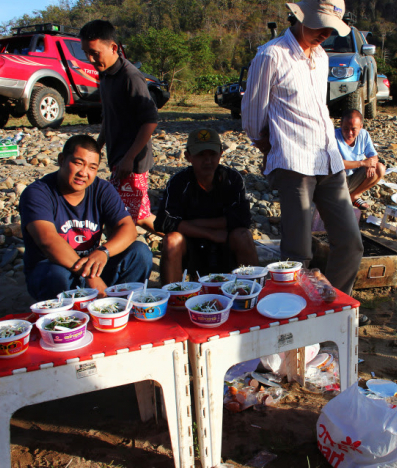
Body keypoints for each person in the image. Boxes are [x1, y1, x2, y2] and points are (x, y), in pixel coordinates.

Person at [241, 0, 363, 296]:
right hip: (294, 164)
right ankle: (296, 314)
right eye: (321, 25)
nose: (325, 33)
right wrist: (272, 148)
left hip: (329, 160)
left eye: (331, 28)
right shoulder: (271, 54)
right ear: (301, 16)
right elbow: (253, 116)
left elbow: (318, 108)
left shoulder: (321, 57)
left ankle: (334, 304)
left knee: (350, 242)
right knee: (297, 252)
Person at [20, 135, 153, 301]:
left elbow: (128, 228)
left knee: (140, 253)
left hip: (91, 265)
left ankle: (122, 308)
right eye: (78, 163)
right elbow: (48, 240)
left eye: (92, 167)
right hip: (55, 268)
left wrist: (104, 252)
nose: (83, 173)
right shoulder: (38, 193)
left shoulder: (101, 189)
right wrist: (90, 276)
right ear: (61, 160)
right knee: (55, 273)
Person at [79, 20, 161, 234]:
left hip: (132, 163)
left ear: (113, 47)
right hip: (118, 158)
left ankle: (182, 243)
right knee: (136, 216)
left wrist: (129, 157)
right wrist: (96, 148)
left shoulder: (130, 76)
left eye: (95, 53)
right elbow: (109, 116)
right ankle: (182, 242)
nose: (90, 59)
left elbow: (150, 120)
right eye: (86, 52)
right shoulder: (105, 76)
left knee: (130, 219)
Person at [155, 128, 258, 284]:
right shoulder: (178, 182)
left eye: (212, 154)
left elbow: (243, 219)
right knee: (171, 240)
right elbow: (163, 221)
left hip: (225, 243)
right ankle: (173, 300)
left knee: (243, 236)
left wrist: (193, 223)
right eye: (201, 155)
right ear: (188, 156)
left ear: (221, 154)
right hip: (191, 246)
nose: (208, 160)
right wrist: (210, 233)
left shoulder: (233, 179)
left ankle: (253, 293)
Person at [334, 109, 386, 210]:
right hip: (337, 179)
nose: (349, 133)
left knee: (379, 168)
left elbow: (374, 155)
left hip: (353, 176)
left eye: (353, 129)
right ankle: (342, 199)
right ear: (340, 125)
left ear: (360, 127)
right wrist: (363, 163)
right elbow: (336, 163)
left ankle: (353, 196)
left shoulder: (364, 135)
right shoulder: (333, 136)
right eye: (345, 128)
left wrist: (371, 164)